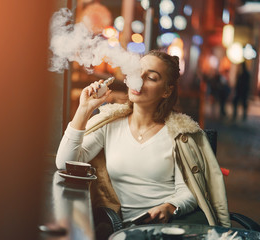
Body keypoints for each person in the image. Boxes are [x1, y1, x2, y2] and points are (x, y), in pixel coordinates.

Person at [56, 50, 230, 230]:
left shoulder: (179, 135)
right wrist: (83, 109)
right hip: (126, 230)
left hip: (169, 229)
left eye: (151, 78)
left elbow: (189, 191)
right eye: (136, 72)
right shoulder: (110, 124)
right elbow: (65, 163)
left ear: (166, 91)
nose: (139, 80)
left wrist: (169, 207)